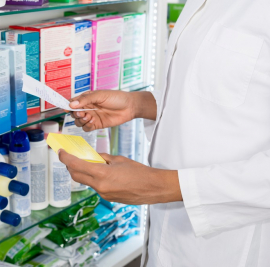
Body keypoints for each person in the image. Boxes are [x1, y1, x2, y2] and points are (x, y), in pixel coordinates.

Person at [58, 0, 270, 266]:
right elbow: (223, 94)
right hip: (165, 234)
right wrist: (140, 104)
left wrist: (162, 186)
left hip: (234, 247)